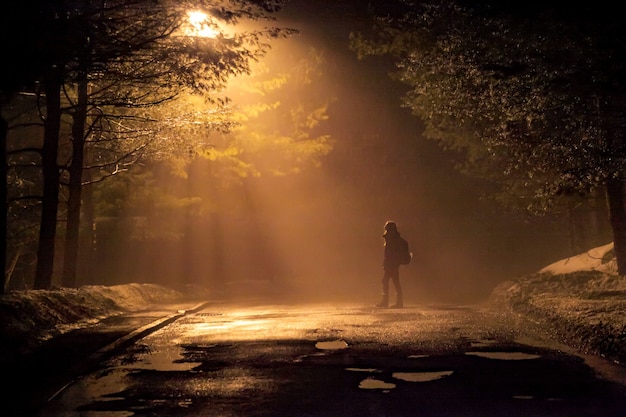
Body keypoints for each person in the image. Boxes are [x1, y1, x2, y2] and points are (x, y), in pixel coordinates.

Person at [377, 220, 407, 308]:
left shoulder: (392, 239)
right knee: (391, 281)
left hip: (392, 264)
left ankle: (393, 302)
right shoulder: (393, 238)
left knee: (391, 281)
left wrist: (387, 263)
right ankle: (395, 302)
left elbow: (391, 253)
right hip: (391, 263)